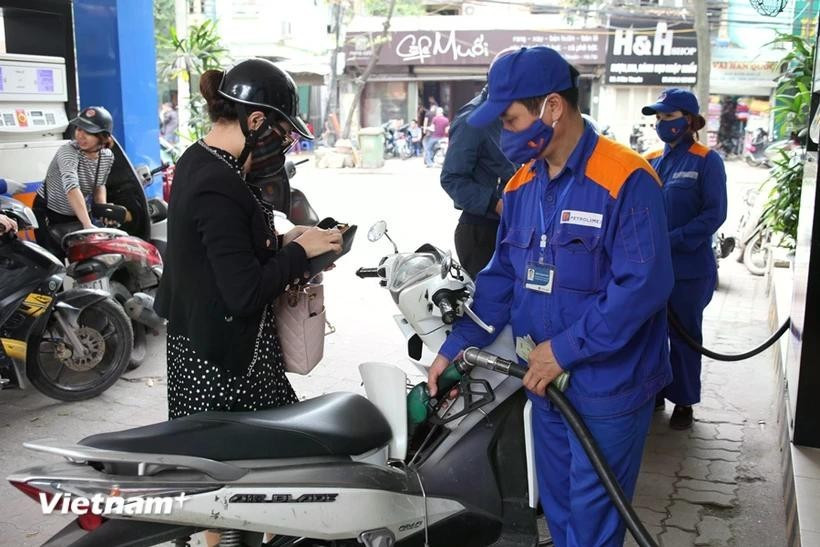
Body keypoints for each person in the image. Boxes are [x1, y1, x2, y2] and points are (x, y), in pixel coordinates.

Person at [427, 46, 674, 547]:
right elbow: (500, 279)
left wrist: (563, 350)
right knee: (559, 510)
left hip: (606, 387)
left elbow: (642, 286)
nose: (503, 134)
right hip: (544, 384)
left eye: (511, 119)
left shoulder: (625, 179)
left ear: (553, 108)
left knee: (594, 519)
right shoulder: (521, 186)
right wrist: (453, 348)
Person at [154, 58, 342, 423]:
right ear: (256, 121)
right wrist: (302, 253)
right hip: (226, 366)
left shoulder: (198, 159)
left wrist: (285, 240)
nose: (286, 142)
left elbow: (219, 248)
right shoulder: (218, 181)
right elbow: (245, 293)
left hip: (206, 344)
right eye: (284, 132)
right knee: (251, 471)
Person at [642, 89, 728, 430]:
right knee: (650, 333)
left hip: (690, 269)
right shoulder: (650, 160)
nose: (661, 124)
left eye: (668, 117)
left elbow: (714, 213)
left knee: (685, 334)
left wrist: (674, 239)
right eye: (658, 118)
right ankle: (655, 391)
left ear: (688, 121)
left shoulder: (707, 161)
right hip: (651, 268)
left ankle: (684, 400)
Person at [440, 86, 515, 278]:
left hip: (515, 228)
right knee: (488, 303)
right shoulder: (473, 120)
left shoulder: (514, 113)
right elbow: (452, 178)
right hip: (483, 231)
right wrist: (495, 204)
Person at [32, 106, 115, 259]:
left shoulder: (107, 156)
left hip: (77, 211)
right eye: (79, 129)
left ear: (102, 136)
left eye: (88, 132)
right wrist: (88, 224)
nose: (81, 135)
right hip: (49, 211)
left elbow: (99, 185)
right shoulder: (68, 151)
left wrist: (103, 209)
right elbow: (71, 187)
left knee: (81, 256)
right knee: (53, 259)